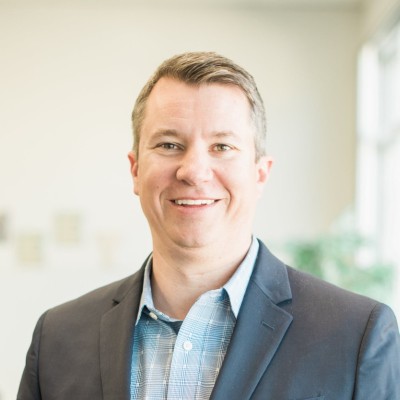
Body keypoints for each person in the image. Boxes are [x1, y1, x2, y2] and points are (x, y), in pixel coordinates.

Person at [18, 51, 400, 400]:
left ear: (260, 173)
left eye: (222, 147)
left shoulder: (355, 337)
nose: (194, 171)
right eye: (169, 145)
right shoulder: (57, 339)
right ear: (135, 170)